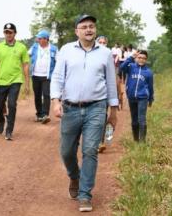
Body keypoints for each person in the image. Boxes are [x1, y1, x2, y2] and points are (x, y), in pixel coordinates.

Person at [50, 14, 119, 213]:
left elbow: (111, 83)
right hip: (70, 108)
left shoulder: (105, 53)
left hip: (96, 107)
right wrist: (56, 101)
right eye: (84, 27)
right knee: (66, 151)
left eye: (91, 26)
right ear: (77, 31)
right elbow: (57, 77)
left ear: (95, 30)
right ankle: (74, 176)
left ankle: (85, 194)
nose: (89, 30)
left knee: (90, 151)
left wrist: (113, 111)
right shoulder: (66, 50)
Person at [0, 23, 30, 141]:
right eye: (6, 32)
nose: (8, 34)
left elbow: (26, 65)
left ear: (15, 33)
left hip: (16, 80)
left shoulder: (21, 47)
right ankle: (1, 120)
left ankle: (9, 131)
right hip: (1, 81)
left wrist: (27, 82)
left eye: (10, 32)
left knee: (12, 104)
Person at [119, 50, 154, 142]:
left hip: (142, 98)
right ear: (136, 58)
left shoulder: (148, 72)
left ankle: (142, 141)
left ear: (146, 60)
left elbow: (150, 87)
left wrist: (150, 99)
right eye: (139, 58)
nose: (141, 60)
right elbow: (121, 68)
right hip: (131, 97)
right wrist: (131, 57)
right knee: (134, 120)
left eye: (144, 58)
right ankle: (136, 140)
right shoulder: (131, 67)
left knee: (141, 119)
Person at [28, 29, 58, 124]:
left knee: (46, 95)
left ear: (46, 39)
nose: (38, 40)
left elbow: (59, 62)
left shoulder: (54, 49)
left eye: (40, 38)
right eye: (38, 38)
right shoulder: (34, 47)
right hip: (35, 75)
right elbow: (26, 55)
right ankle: (39, 114)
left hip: (47, 76)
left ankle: (45, 115)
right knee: (37, 95)